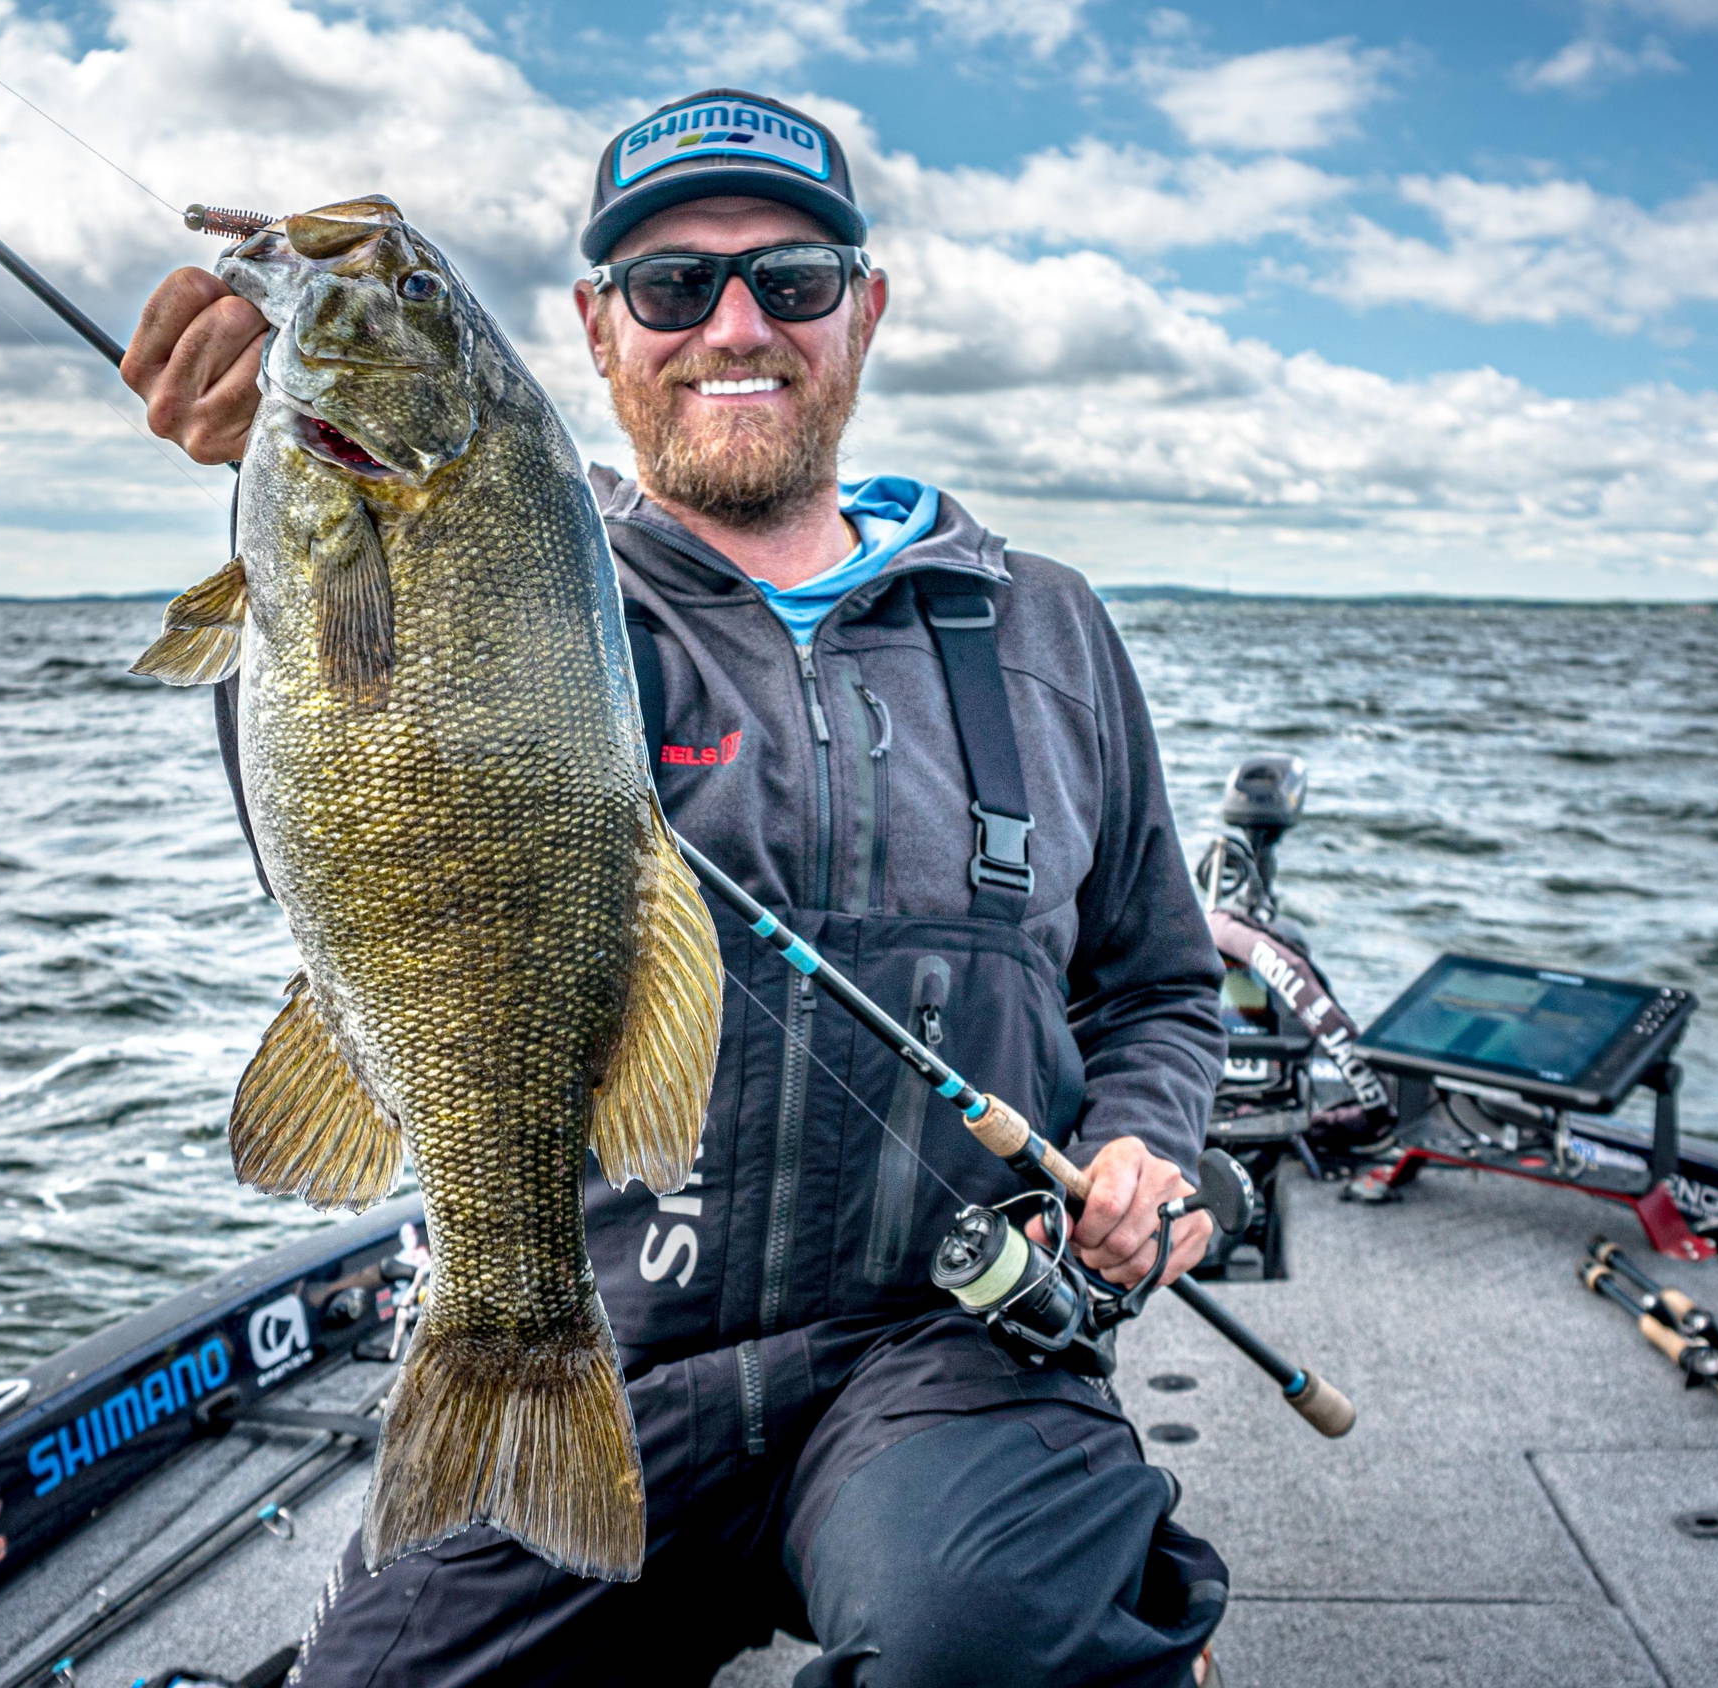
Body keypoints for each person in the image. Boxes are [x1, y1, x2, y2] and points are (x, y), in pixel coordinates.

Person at [122, 88, 1229, 1688]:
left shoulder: (1051, 631)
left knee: (997, 1648)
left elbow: (1158, 985)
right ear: (594, 326)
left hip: (948, 1350)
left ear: (863, 312)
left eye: (788, 279)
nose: (732, 323)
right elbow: (335, 778)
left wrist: (1144, 1142)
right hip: (602, 1334)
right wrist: (271, 477)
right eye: (668, 286)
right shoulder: (525, 559)